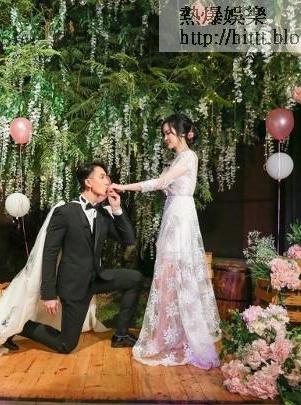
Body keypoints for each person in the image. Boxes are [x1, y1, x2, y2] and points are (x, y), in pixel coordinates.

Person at [0, 161, 142, 355]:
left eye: (107, 177)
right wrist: (49, 294)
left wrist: (117, 209)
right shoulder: (65, 212)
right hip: (74, 286)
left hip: (97, 278)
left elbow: (129, 239)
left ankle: (121, 335)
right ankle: (22, 325)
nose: (108, 181)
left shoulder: (102, 214)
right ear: (88, 182)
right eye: (102, 177)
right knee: (66, 345)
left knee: (135, 279)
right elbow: (49, 253)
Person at [110, 113, 220, 368]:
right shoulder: (176, 161)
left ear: (182, 133)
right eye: (164, 134)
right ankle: (168, 334)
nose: (165, 138)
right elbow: (164, 186)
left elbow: (159, 183)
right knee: (167, 275)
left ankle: (181, 336)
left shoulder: (189, 157)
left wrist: (123, 187)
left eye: (168, 133)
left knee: (178, 273)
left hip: (181, 217)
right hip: (172, 215)